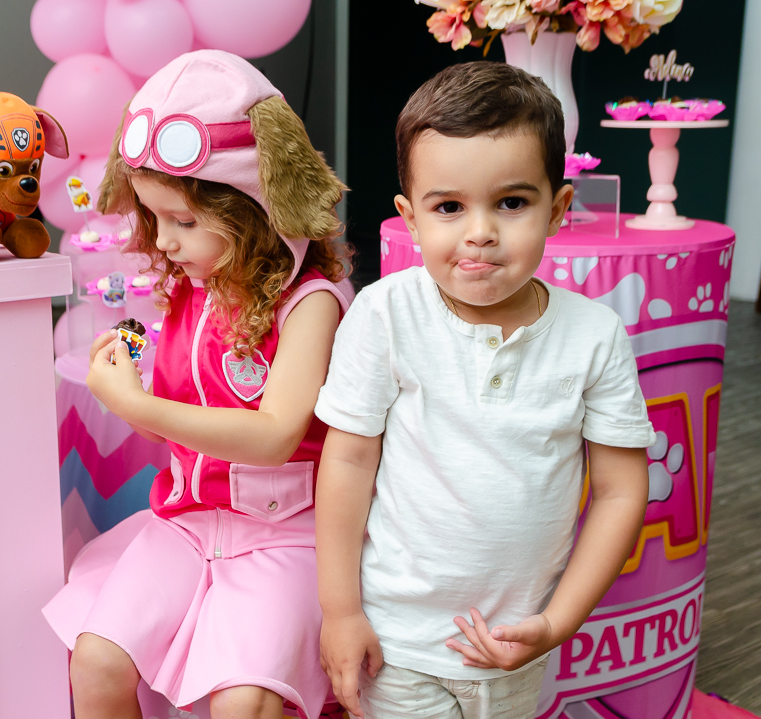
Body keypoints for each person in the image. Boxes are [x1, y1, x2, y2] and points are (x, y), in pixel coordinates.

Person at [314, 61, 655, 719]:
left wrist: (556, 623)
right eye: (449, 207)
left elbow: (619, 491)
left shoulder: (595, 334)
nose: (480, 232)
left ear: (557, 209)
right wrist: (340, 610)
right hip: (398, 640)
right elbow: (348, 462)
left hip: (516, 644)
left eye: (512, 203)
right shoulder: (385, 315)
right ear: (411, 219)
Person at [42, 50, 352, 719]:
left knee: (245, 702)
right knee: (95, 660)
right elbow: (179, 426)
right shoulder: (195, 288)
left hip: (287, 535)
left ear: (258, 210)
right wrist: (128, 395)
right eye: (154, 217)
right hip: (187, 524)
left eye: (184, 221)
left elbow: (273, 436)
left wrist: (139, 405)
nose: (164, 241)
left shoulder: (312, 304)